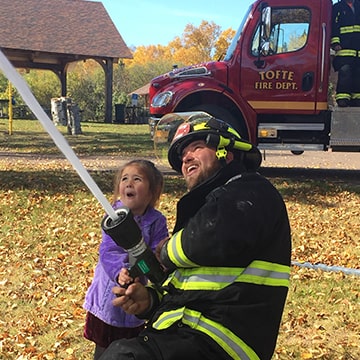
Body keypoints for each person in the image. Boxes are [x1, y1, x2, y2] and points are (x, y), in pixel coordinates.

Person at [99, 113, 291, 360]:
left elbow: (209, 238)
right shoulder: (204, 209)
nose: (186, 157)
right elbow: (187, 286)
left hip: (222, 341)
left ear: (227, 153)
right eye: (182, 156)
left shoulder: (251, 189)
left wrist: (164, 251)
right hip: (187, 335)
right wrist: (150, 302)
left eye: (197, 147)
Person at [83, 159, 169, 360]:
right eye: (124, 179)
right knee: (104, 348)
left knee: (130, 348)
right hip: (110, 297)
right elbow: (108, 250)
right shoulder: (114, 216)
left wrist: (162, 255)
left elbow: (159, 249)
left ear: (151, 192)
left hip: (137, 296)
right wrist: (120, 271)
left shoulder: (157, 220)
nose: (129, 183)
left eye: (137, 179)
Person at [331, 0, 360, 107]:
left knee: (358, 74)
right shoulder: (338, 7)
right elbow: (334, 26)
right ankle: (342, 98)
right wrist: (335, 42)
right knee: (345, 72)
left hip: (358, 48)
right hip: (344, 48)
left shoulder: (358, 5)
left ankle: (357, 99)